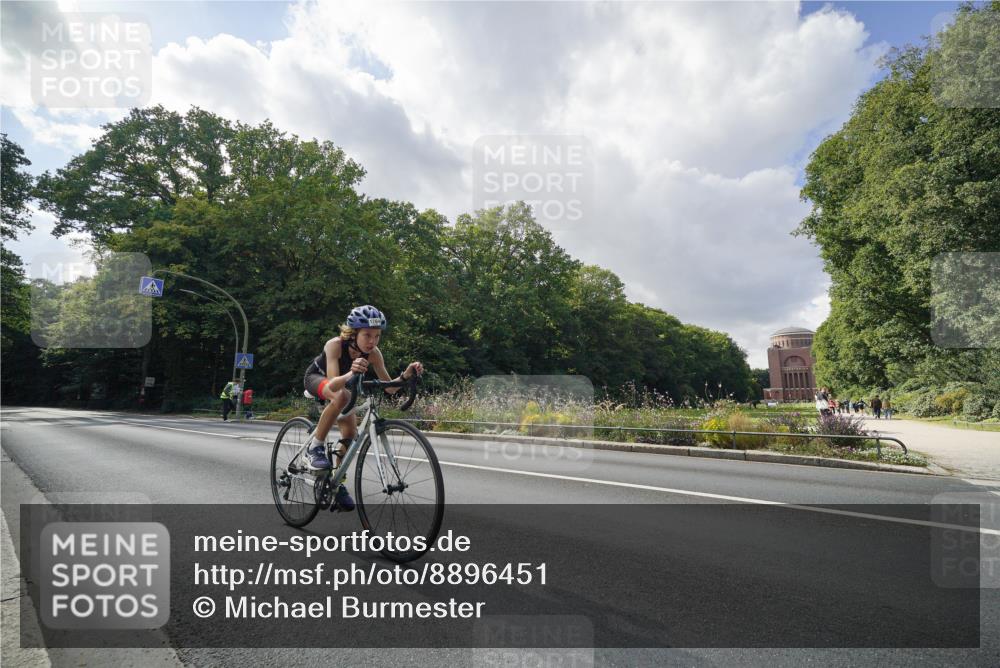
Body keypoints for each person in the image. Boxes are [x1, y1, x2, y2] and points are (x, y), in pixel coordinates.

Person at [301, 305, 423, 511]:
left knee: (350, 432)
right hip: (317, 379)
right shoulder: (335, 345)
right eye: (367, 335)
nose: (372, 341)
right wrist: (351, 373)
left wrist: (406, 376)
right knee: (342, 395)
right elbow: (332, 384)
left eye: (377, 336)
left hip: (341, 390)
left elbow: (390, 388)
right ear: (353, 333)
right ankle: (314, 448)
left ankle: (333, 482)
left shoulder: (374, 354)